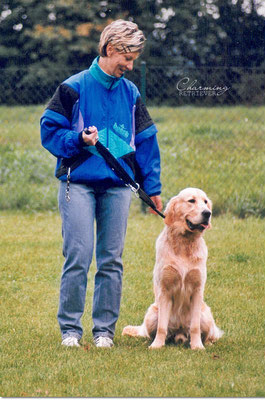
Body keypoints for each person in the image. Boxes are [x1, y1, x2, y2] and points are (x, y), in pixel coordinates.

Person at [40, 19, 162, 348]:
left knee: (112, 258)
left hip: (119, 186)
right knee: (78, 254)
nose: (131, 65)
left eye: (135, 58)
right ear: (109, 50)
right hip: (76, 182)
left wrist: (152, 187)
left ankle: (104, 331)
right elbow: (48, 131)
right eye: (127, 57)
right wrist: (79, 139)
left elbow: (147, 140)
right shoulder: (73, 87)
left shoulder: (131, 93)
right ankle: (70, 330)